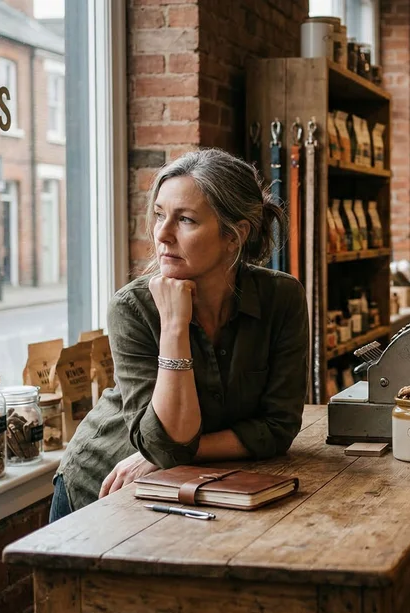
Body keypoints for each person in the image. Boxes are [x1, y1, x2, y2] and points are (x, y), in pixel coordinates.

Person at [49, 149, 308, 521]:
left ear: (235, 235)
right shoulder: (133, 308)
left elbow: (278, 428)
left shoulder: (282, 299)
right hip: (105, 487)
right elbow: (168, 445)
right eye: (158, 215)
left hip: (186, 483)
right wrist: (173, 324)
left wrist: (164, 455)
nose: (162, 234)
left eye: (185, 220)